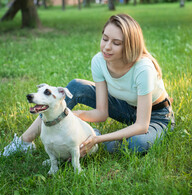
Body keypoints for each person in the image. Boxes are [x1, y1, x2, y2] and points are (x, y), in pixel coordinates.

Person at [1, 14, 175, 157]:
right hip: (125, 106)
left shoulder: (142, 68)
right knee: (76, 86)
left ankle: (95, 135)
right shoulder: (99, 60)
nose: (106, 47)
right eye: (105, 38)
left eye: (116, 43)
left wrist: (96, 139)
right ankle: (25, 141)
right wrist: (71, 115)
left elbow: (141, 126)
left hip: (155, 116)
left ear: (130, 45)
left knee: (136, 144)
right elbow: (101, 113)